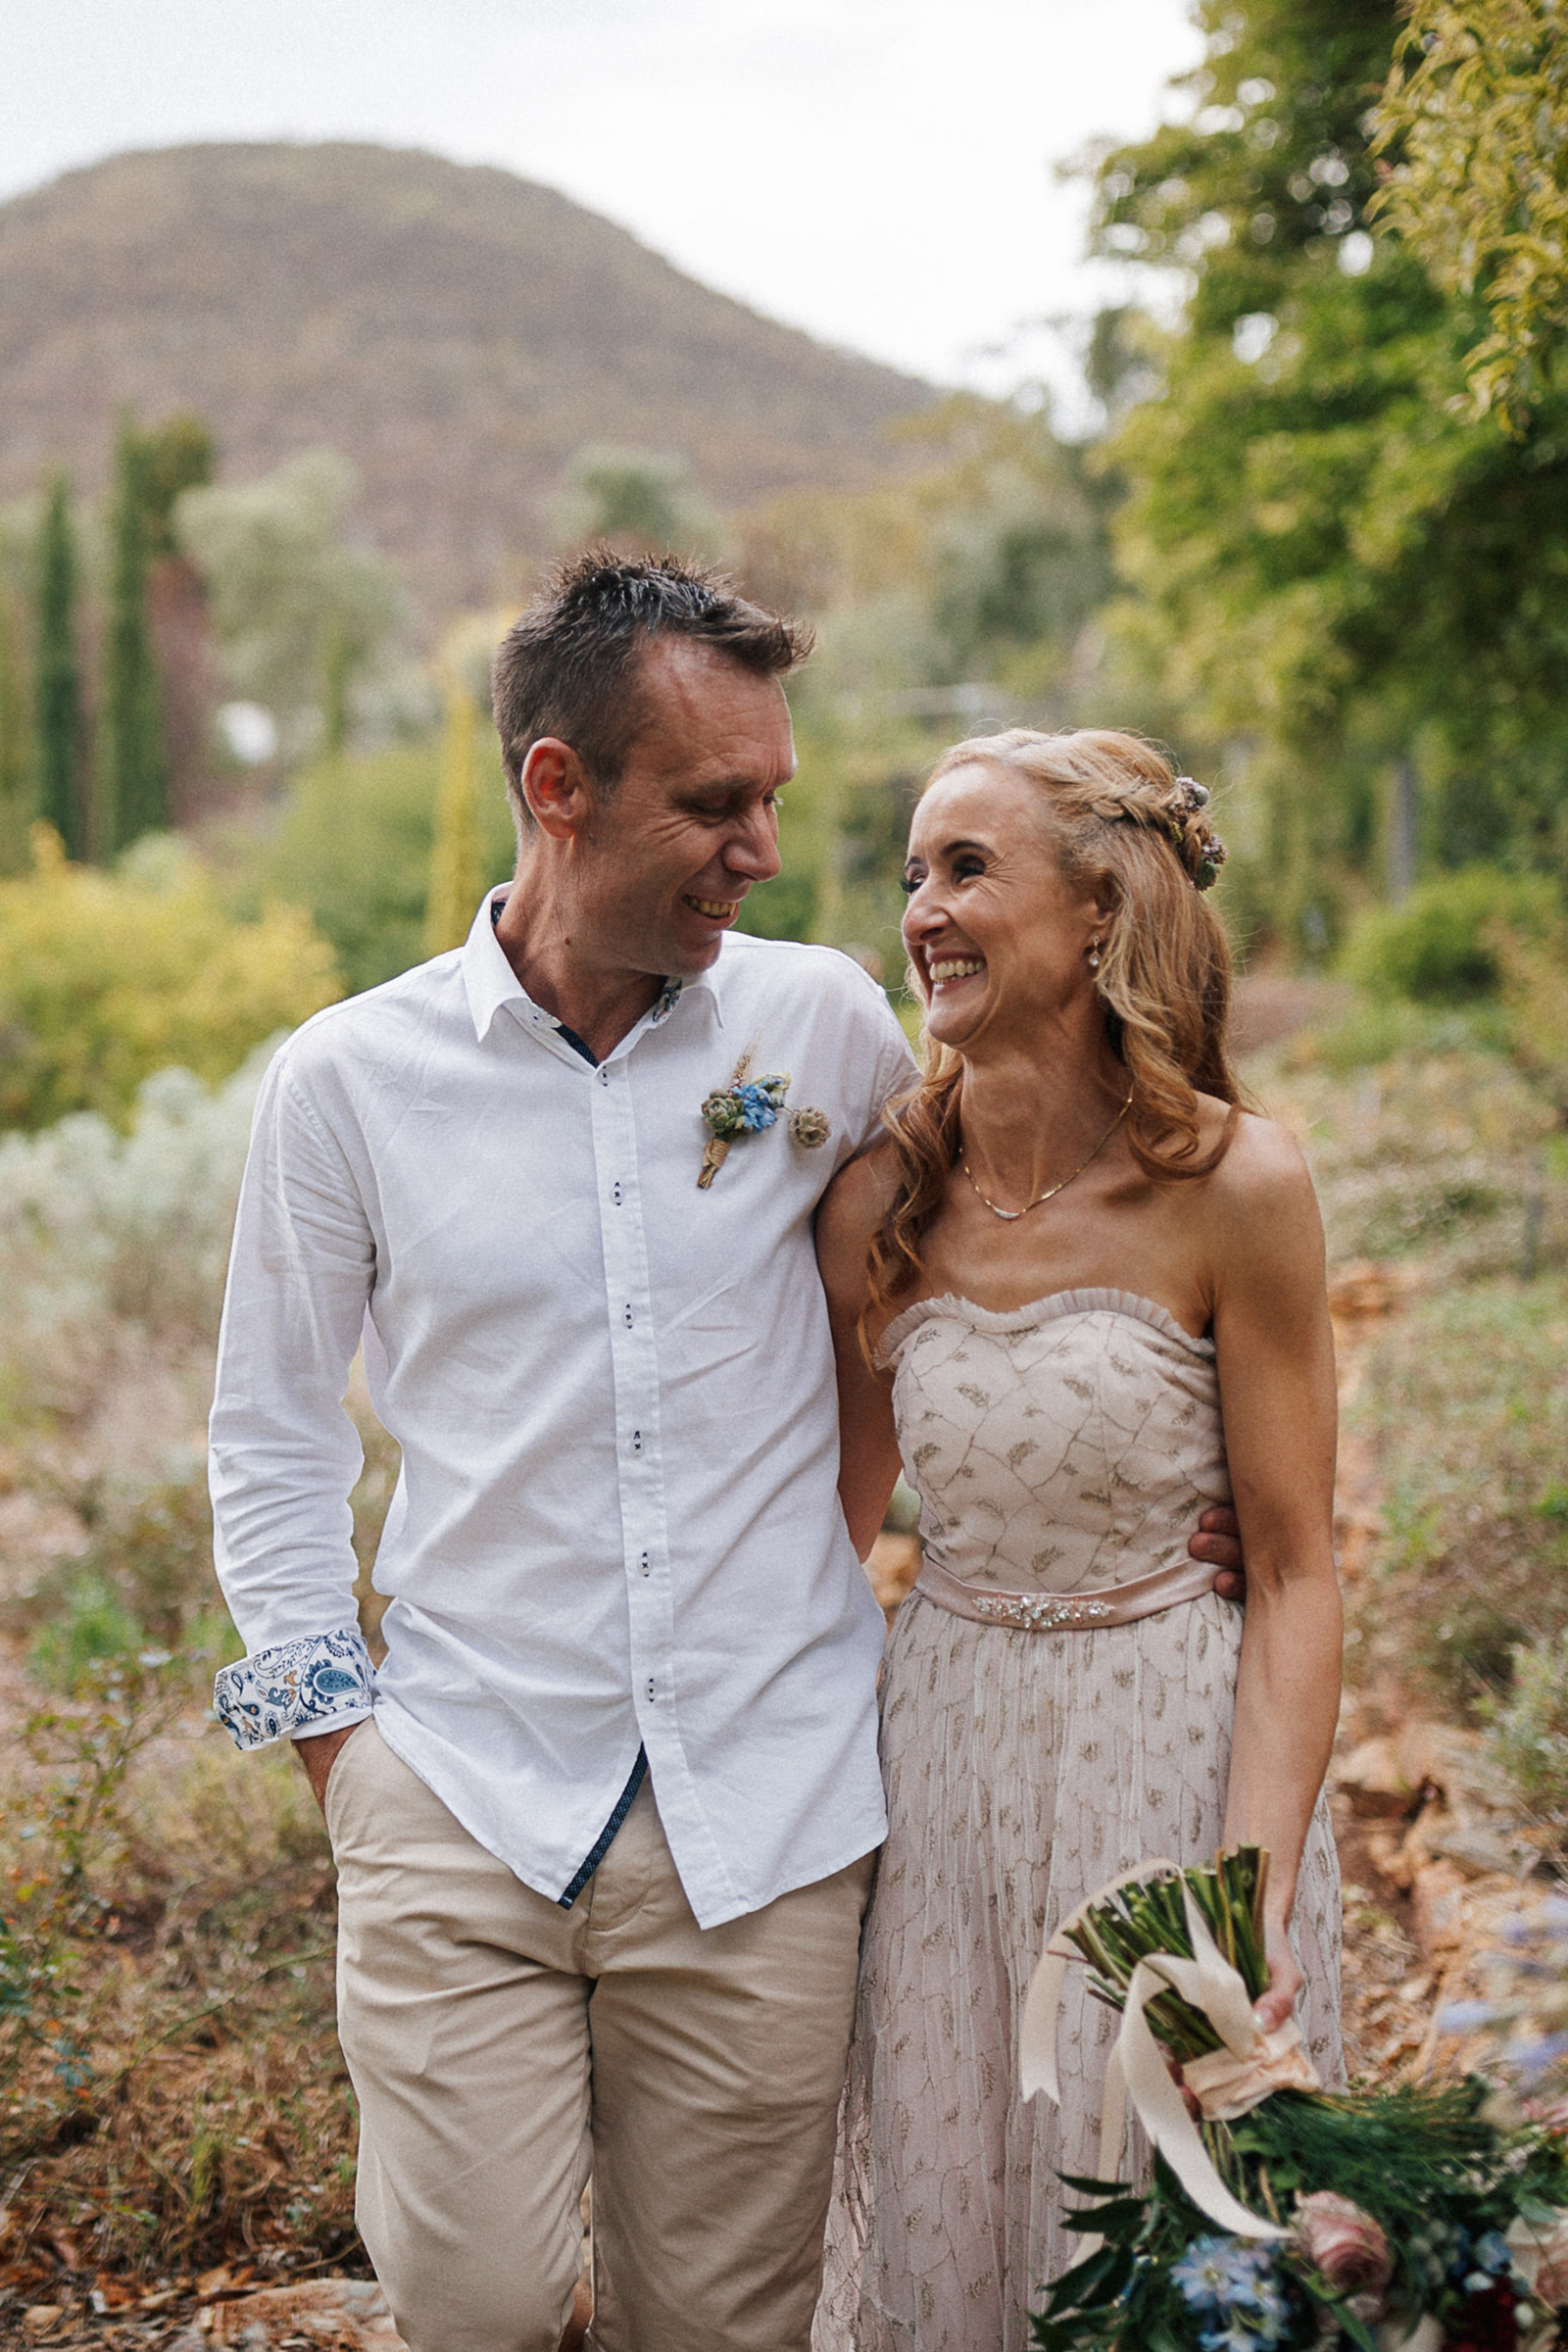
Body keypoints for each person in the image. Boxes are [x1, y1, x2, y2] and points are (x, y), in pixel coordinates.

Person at [207, 559, 1246, 2352]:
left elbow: (1007, 1238)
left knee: (731, 2329)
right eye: (714, 803)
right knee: (484, 2307)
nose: (764, 845)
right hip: (460, 1796)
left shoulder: (827, 1027)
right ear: (558, 788)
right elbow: (270, 1437)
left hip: (767, 1820)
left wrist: (1149, 1490)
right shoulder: (346, 1083)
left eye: (772, 795)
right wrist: (342, 1761)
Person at [813, 728, 1343, 2352]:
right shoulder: (877, 1198)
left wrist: (1236, 1902)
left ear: (1102, 908)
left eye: (967, 867)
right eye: (914, 874)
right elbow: (832, 1531)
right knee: (953, 2198)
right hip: (945, 1762)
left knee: (1162, 2211)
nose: (924, 910)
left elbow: (1301, 1566)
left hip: (1174, 1760)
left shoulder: (1234, 1185)